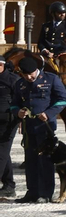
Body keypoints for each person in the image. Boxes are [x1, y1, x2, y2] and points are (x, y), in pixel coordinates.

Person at [16, 55, 66, 203]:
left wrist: (49, 113)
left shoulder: (50, 79)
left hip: (45, 127)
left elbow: (64, 99)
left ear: (36, 70)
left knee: (45, 161)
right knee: (30, 160)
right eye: (25, 74)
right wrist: (17, 111)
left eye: (31, 73)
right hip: (29, 128)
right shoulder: (20, 83)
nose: (29, 77)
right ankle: (32, 191)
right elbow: (14, 103)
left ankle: (46, 193)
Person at [0, 55, 23, 197]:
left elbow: (21, 99)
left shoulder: (13, 79)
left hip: (8, 121)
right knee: (4, 152)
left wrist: (21, 119)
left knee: (1, 151)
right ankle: (9, 185)